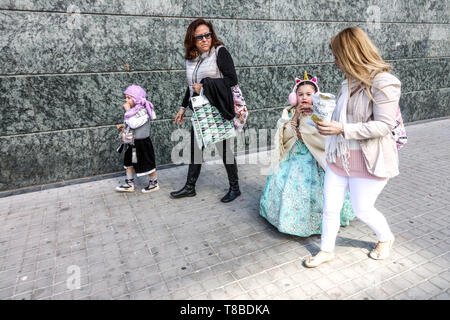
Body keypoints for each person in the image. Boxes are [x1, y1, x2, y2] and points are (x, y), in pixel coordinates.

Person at [305, 27, 401, 268]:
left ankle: (385, 237)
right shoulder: (347, 81)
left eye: (337, 56)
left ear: (350, 54)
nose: (335, 62)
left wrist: (341, 129)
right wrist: (323, 124)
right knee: (331, 207)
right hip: (339, 157)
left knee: (363, 210)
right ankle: (327, 250)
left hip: (369, 160)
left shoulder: (385, 82)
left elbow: (383, 125)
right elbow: (340, 117)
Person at [260, 72, 354, 237]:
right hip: (293, 157)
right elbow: (284, 136)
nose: (304, 97)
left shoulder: (322, 114)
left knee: (319, 193)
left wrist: (311, 129)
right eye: (300, 94)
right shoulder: (289, 113)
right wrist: (296, 116)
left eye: (309, 94)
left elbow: (325, 139)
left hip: (316, 160)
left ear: (315, 96)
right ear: (294, 97)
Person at [170, 18, 241, 203]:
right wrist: (182, 107)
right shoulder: (191, 58)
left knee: (223, 149)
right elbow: (191, 86)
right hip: (199, 111)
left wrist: (206, 86)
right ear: (192, 40)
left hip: (216, 109)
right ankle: (190, 187)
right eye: (199, 37)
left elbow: (232, 79)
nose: (204, 39)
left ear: (212, 35)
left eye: (207, 35)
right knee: (195, 149)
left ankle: (235, 187)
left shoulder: (219, 52)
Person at [115, 85, 159, 194]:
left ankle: (154, 183)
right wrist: (123, 126)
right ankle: (130, 183)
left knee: (147, 163)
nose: (126, 100)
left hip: (142, 143)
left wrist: (127, 111)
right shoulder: (133, 110)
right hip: (132, 142)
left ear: (136, 99)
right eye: (126, 97)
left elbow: (134, 123)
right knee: (128, 162)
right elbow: (131, 124)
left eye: (129, 97)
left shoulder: (143, 111)